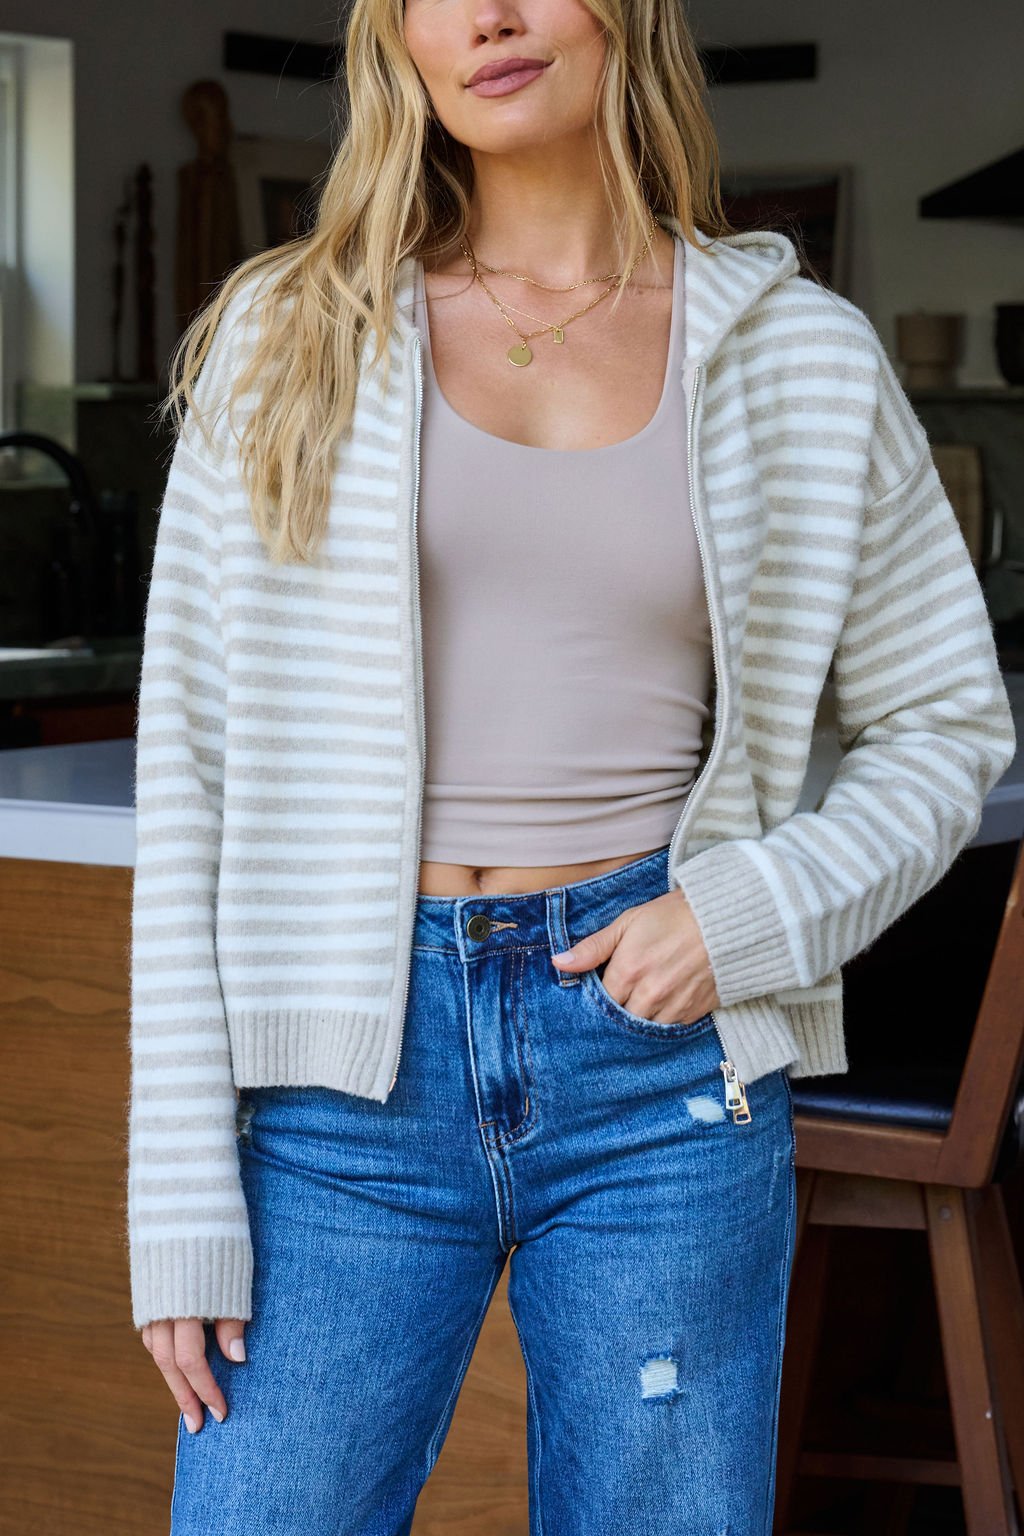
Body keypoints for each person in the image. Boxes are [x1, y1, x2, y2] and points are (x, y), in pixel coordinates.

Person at [125, 0, 1016, 1530]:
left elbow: (946, 721)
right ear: (394, 36)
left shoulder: (798, 356)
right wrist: (181, 1197)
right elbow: (187, 776)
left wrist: (739, 915)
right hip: (342, 1092)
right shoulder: (288, 332)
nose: (489, 16)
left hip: (656, 1073)